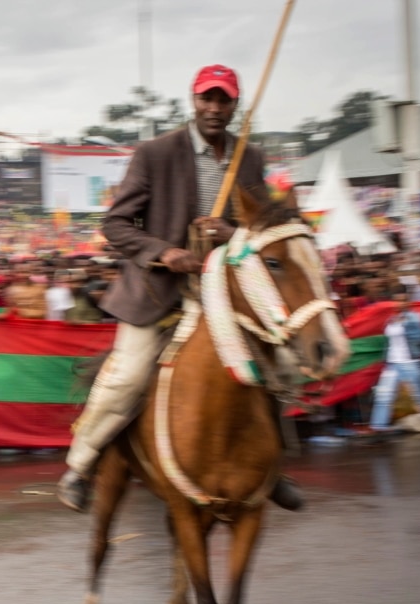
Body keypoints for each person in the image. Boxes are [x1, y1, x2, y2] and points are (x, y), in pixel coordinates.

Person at [56, 64, 303, 513]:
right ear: (193, 100)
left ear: (234, 104)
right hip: (160, 291)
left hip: (225, 291)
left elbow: (262, 227)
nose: (214, 107)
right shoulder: (156, 153)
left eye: (223, 99)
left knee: (280, 363)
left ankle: (272, 467)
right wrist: (164, 252)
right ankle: (80, 463)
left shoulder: (250, 157)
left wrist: (230, 231)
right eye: (206, 98)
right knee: (128, 375)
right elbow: (114, 224)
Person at [368, 288, 420, 431]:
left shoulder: (416, 318)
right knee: (383, 395)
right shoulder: (390, 319)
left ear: (409, 302)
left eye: (403, 300)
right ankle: (378, 426)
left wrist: (407, 323)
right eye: (397, 300)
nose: (400, 303)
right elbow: (388, 343)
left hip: (411, 362)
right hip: (393, 364)